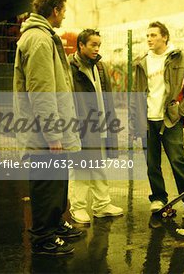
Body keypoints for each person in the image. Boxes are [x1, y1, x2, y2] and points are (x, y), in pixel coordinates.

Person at [13, 0, 82, 256]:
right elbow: (41, 92)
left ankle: (54, 224)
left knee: (57, 180)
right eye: (64, 10)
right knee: (45, 182)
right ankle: (42, 238)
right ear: (55, 10)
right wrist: (53, 135)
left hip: (53, 129)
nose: (65, 15)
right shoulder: (40, 40)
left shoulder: (45, 37)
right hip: (43, 132)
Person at [129, 21, 184, 219]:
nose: (149, 39)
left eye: (153, 35)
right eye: (148, 36)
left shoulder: (180, 57)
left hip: (170, 118)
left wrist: (182, 111)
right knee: (152, 163)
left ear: (165, 37)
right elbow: (136, 93)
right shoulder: (141, 62)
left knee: (178, 160)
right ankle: (158, 198)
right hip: (147, 118)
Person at [68, 29, 124, 223]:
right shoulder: (69, 67)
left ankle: (102, 205)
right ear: (81, 45)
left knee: (98, 165)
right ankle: (78, 208)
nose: (97, 48)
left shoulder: (100, 67)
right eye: (93, 44)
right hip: (81, 126)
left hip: (101, 124)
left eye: (99, 45)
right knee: (81, 167)